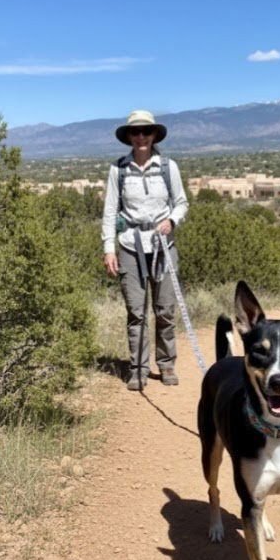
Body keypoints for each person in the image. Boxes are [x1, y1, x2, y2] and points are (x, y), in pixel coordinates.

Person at [102, 110, 189, 391]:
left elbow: (182, 203)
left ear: (154, 135)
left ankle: (166, 364)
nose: (141, 137)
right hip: (130, 245)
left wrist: (171, 220)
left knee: (165, 310)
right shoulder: (118, 169)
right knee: (136, 312)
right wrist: (109, 248)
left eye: (146, 132)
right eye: (135, 132)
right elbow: (109, 211)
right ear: (128, 137)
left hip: (164, 247)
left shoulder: (167, 167)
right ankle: (138, 368)